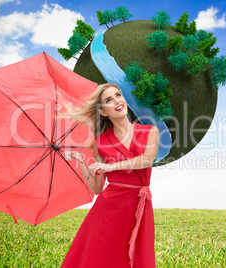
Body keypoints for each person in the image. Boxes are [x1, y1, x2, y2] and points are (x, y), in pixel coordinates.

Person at [60, 82, 159, 268]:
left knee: (137, 258)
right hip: (108, 209)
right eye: (108, 100)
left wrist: (110, 167)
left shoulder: (150, 132)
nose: (116, 101)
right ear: (104, 111)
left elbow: (146, 160)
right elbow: (97, 188)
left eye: (118, 95)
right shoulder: (100, 142)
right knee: (101, 257)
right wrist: (81, 162)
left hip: (138, 204)